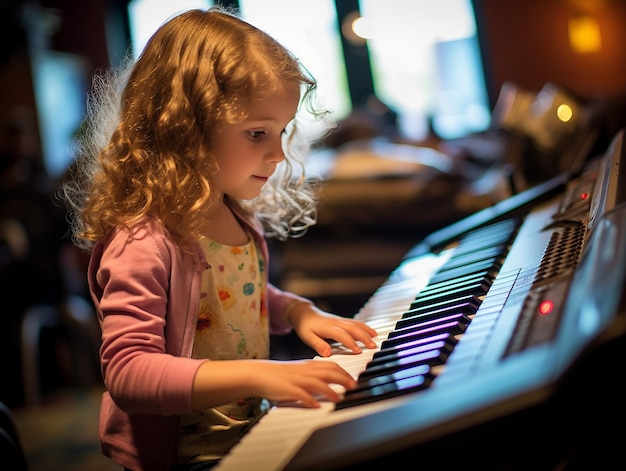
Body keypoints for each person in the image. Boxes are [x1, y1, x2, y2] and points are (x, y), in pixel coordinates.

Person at [61, 6, 378, 471]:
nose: (276, 153)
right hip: (185, 457)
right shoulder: (144, 241)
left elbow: (232, 299)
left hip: (247, 436)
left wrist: (295, 310)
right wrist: (262, 375)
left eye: (282, 131)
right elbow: (128, 371)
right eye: (257, 133)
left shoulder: (231, 213)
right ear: (183, 127)